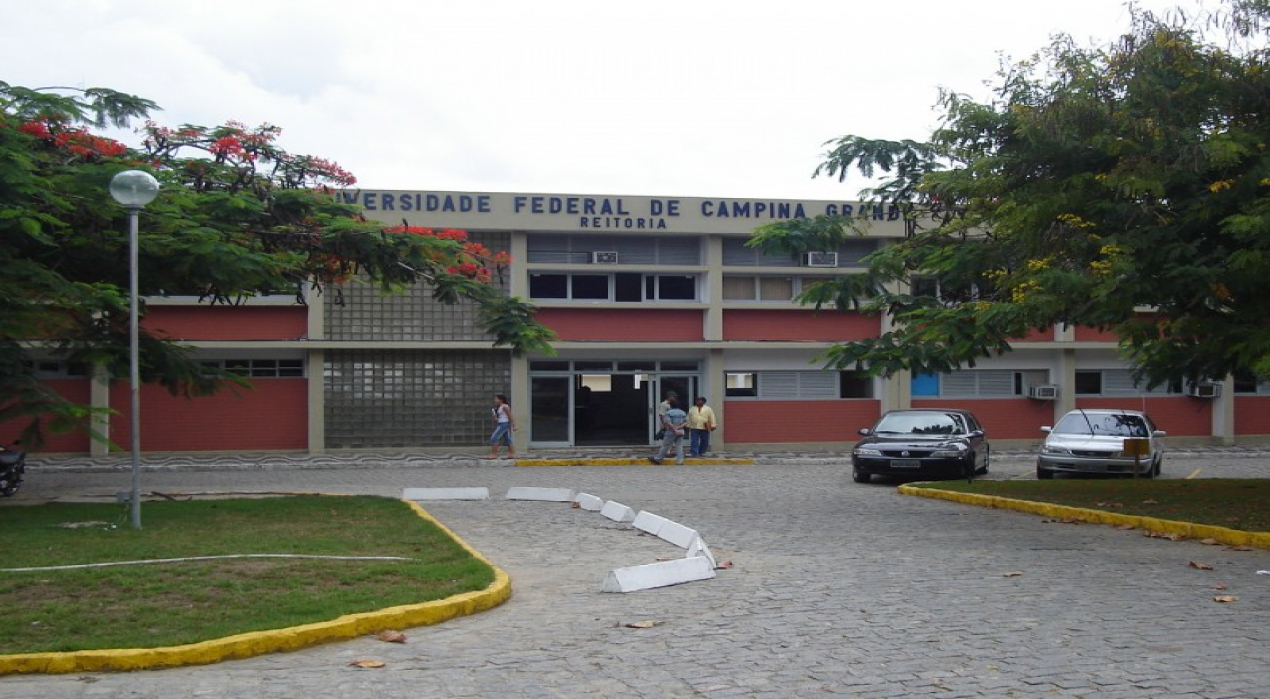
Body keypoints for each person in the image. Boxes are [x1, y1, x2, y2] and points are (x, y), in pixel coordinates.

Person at [649, 394, 688, 465]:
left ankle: (658, 459)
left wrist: (674, 429)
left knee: (665, 446)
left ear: (671, 406)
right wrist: (679, 427)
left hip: (670, 431)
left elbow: (668, 422)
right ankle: (680, 461)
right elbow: (686, 422)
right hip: (680, 431)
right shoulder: (683, 412)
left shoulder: (669, 413)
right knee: (679, 446)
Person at [487, 394, 516, 459]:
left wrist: (514, 425)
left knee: (494, 438)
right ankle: (512, 453)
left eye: (496, 399)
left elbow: (510, 415)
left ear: (501, 400)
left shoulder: (504, 406)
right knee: (507, 439)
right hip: (501, 423)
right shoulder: (498, 407)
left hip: (504, 424)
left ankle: (494, 454)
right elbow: (497, 419)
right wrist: (494, 415)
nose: (495, 400)